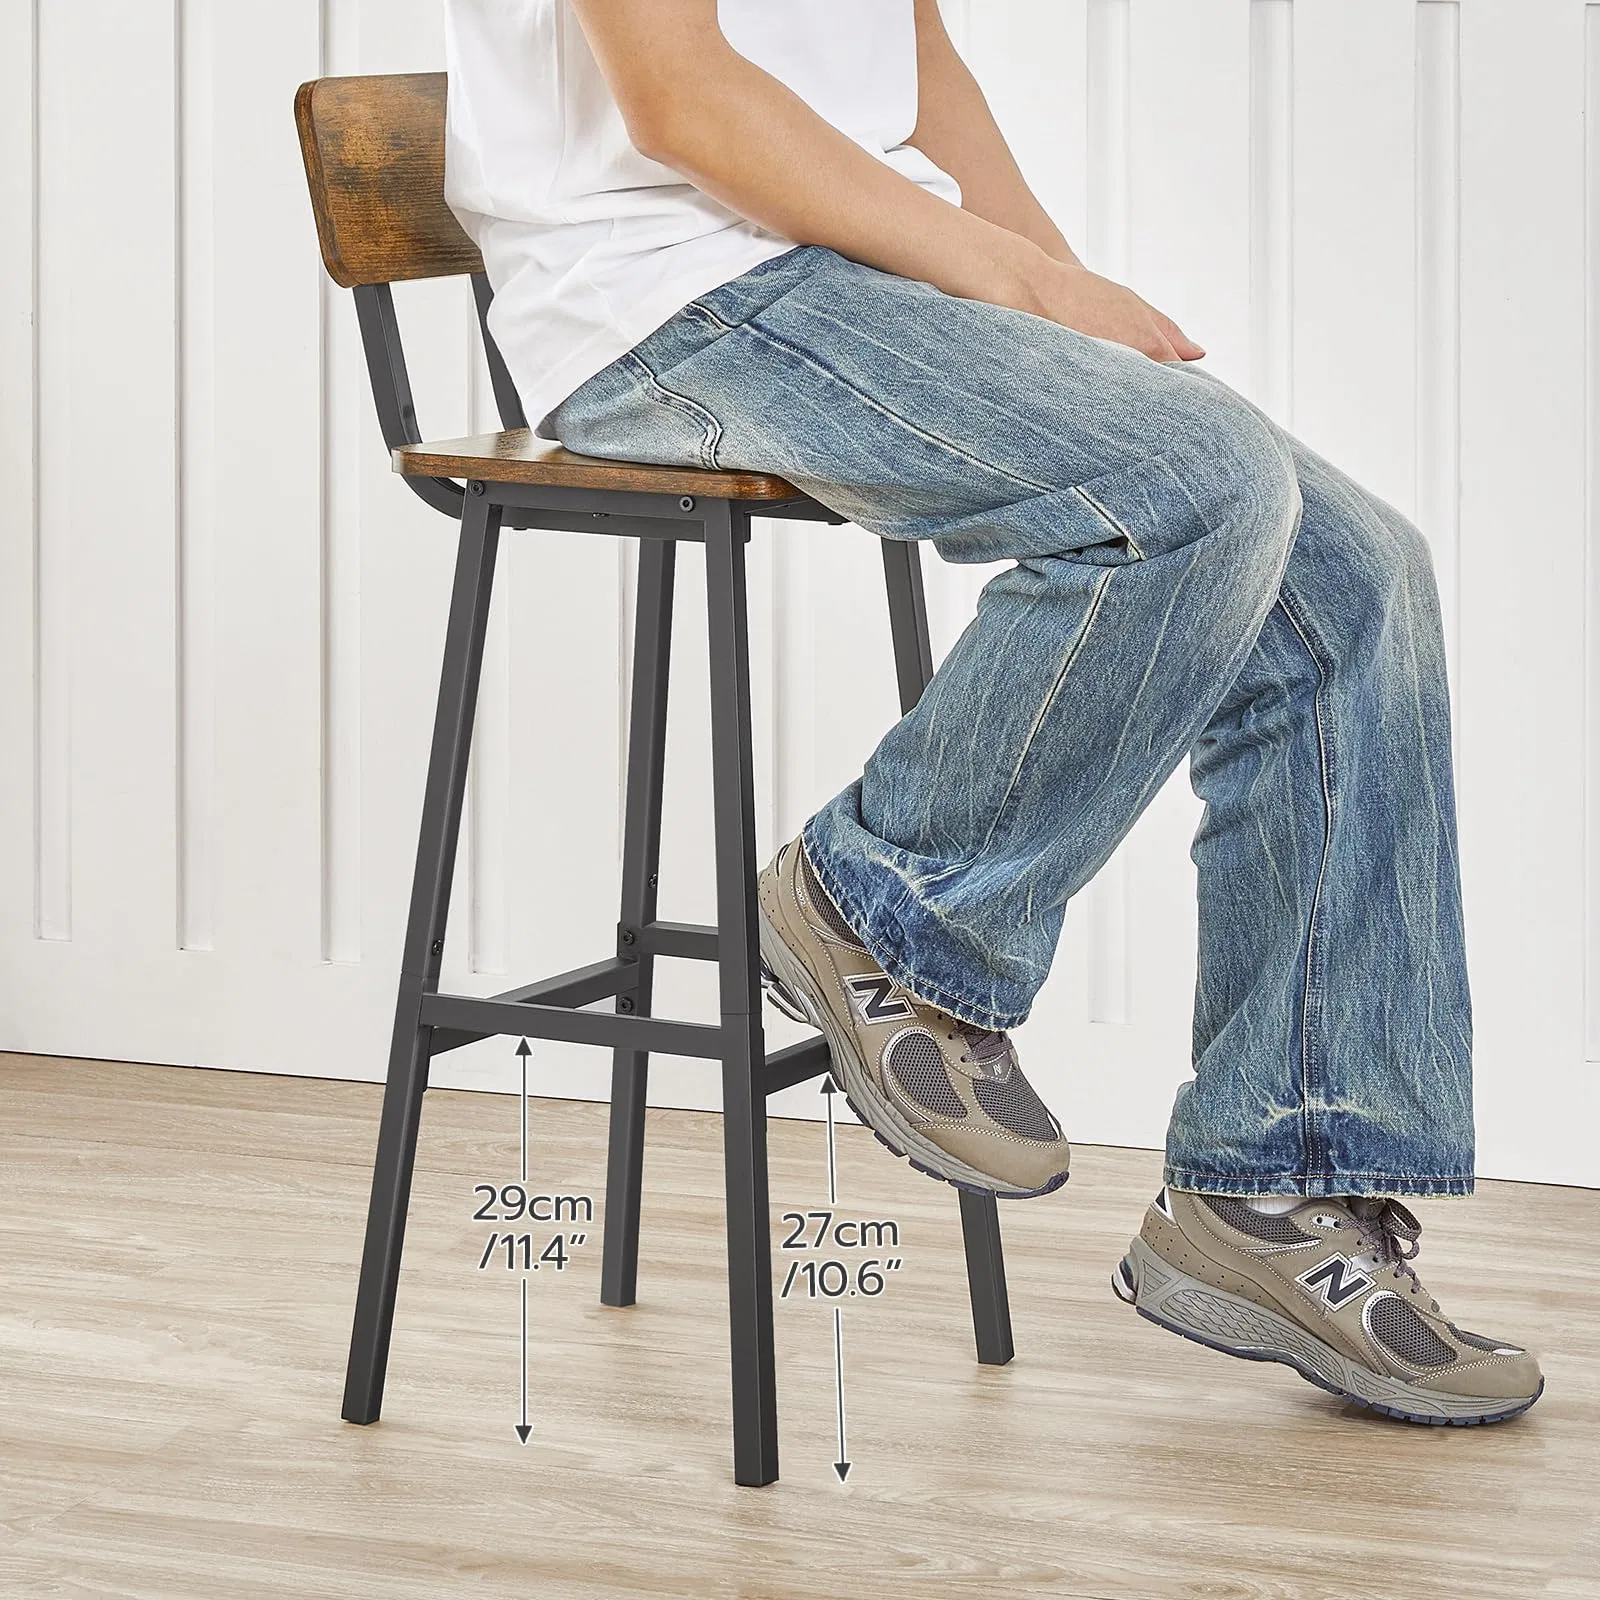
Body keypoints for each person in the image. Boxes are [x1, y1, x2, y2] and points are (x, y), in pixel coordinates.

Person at [442, 0, 1543, 1424]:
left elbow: (914, 53)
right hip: (661, 298)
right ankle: (882, 909)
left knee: (1357, 575)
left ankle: (1283, 1189)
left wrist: (1058, 293)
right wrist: (1013, 288)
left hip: (850, 267)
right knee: (1189, 485)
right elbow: (682, 103)